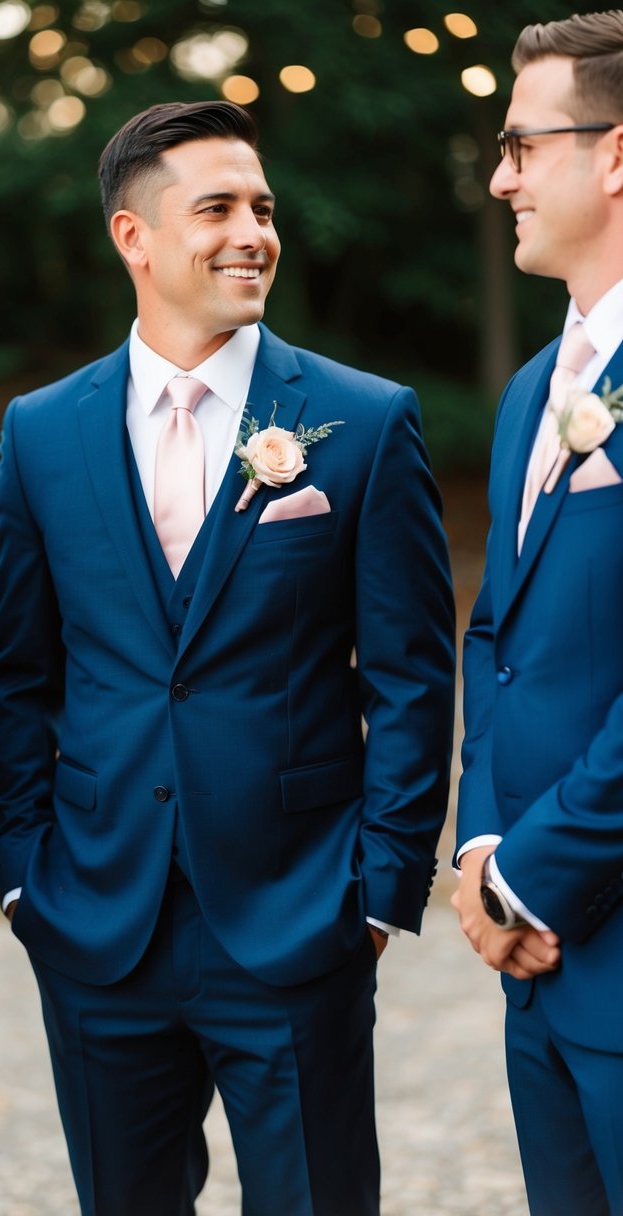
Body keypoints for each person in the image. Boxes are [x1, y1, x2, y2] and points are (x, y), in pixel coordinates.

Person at [0, 99, 455, 1216]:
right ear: (133, 237)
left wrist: (378, 892)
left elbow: (411, 672)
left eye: (263, 207)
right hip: (97, 918)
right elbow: (17, 673)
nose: (253, 231)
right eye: (218, 208)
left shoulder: (363, 419)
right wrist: (24, 876)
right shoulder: (41, 431)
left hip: (299, 916)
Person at [452, 11, 623, 1215]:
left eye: (523, 144)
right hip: (535, 969)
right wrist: (478, 852)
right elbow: (493, 637)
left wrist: (537, 876)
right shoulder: (530, 391)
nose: (502, 176)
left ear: (615, 155)